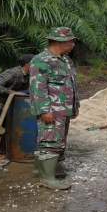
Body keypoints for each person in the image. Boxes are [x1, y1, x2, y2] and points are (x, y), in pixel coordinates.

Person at [29, 27, 80, 190]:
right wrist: (45, 110)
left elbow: (71, 84)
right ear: (60, 42)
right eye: (70, 41)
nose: (73, 44)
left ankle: (41, 170)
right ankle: (47, 178)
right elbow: (38, 87)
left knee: (52, 140)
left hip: (63, 110)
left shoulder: (65, 60)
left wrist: (75, 105)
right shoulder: (41, 60)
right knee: (50, 142)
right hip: (51, 110)